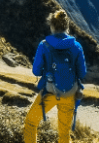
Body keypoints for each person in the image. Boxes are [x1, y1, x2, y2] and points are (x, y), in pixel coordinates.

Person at [24, 9, 87, 143]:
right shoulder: (77, 46)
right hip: (69, 93)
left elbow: (36, 71)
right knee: (64, 135)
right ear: (67, 26)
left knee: (31, 122)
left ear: (52, 26)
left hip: (49, 91)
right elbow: (82, 73)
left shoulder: (44, 45)